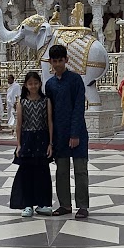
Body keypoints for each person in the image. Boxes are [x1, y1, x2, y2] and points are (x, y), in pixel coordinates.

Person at [44, 42, 90, 219]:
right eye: (54, 61)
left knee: (80, 170)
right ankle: (64, 204)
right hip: (59, 135)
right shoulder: (50, 85)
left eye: (60, 60)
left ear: (66, 60)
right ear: (51, 62)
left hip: (77, 133)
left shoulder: (75, 80)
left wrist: (75, 134)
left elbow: (79, 107)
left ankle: (83, 205)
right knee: (61, 171)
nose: (57, 64)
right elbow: (49, 112)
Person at [9, 70, 54, 217]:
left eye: (35, 83)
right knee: (26, 173)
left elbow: (49, 122)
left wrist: (50, 143)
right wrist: (19, 144)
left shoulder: (46, 100)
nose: (33, 86)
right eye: (30, 83)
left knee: (42, 173)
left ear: (39, 84)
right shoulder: (22, 102)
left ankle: (42, 204)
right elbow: (19, 124)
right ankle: (27, 204)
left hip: (41, 138)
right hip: (27, 139)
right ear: (26, 85)